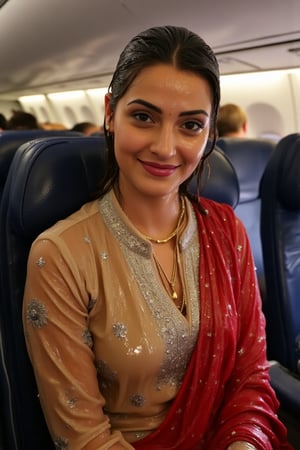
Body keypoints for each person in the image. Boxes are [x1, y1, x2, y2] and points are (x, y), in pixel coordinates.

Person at [22, 25, 292, 450]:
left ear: (209, 136)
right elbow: (82, 436)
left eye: (190, 125)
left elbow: (251, 375)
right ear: (111, 113)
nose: (166, 148)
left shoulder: (228, 232)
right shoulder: (60, 255)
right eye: (144, 117)